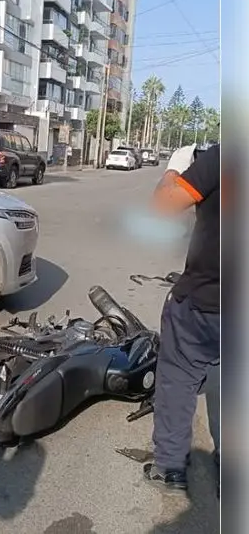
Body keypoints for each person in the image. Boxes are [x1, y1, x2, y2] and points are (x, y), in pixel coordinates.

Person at [143, 143, 221, 493]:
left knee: (178, 378)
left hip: (206, 302)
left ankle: (171, 467)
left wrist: (174, 167)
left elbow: (164, 204)